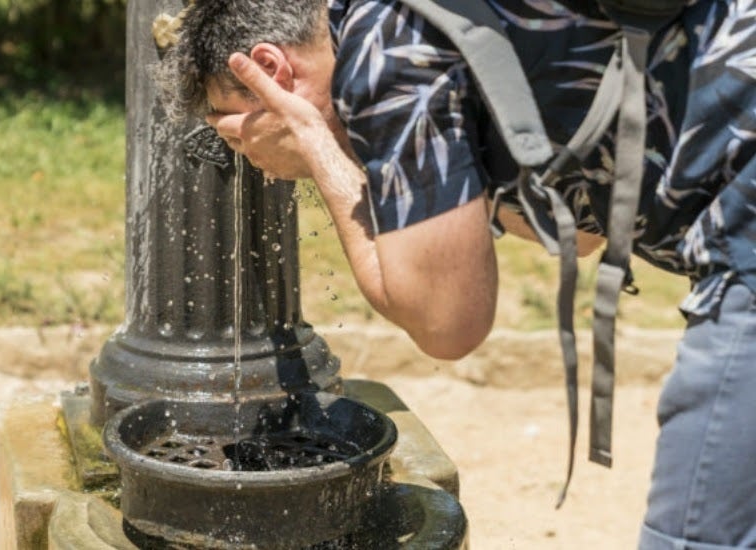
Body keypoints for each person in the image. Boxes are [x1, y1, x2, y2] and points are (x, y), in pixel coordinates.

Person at [156, 0, 756, 548]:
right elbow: (584, 228)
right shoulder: (429, 23)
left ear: (271, 70)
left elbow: (448, 324)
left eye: (233, 125)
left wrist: (316, 143)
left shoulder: (383, 49)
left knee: (695, 536)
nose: (247, 151)